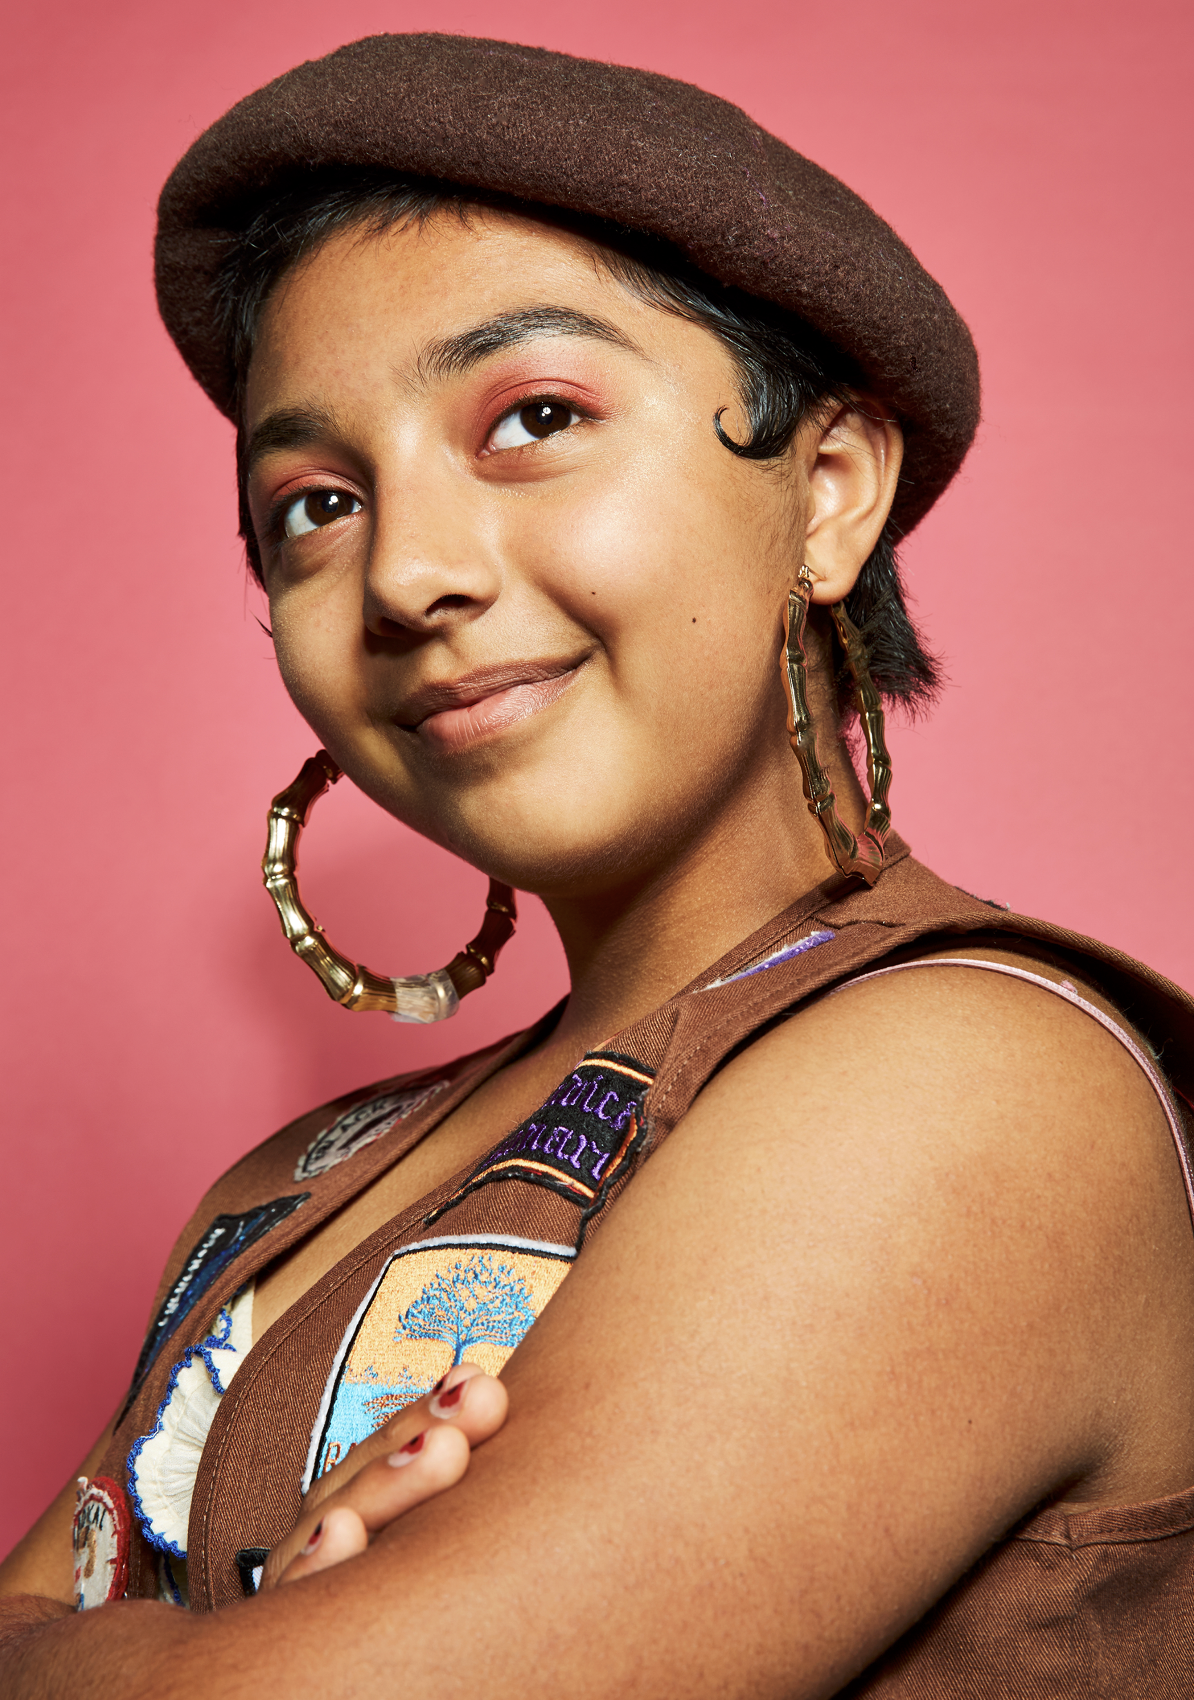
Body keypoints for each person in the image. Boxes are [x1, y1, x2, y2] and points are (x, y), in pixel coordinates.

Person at [2, 30, 1193, 1697]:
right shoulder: (292, 1190)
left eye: (535, 417)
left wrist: (173, 1648)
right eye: (314, 504)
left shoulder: (974, 1084)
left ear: (825, 493)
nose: (405, 573)